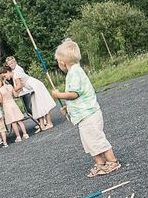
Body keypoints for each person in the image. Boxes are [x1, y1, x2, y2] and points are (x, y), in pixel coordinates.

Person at [52, 38, 121, 177]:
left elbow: (74, 94)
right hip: (83, 115)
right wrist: (67, 107)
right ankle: (100, 164)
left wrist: (59, 95)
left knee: (96, 138)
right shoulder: (74, 72)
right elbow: (78, 96)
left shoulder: (75, 73)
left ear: (62, 62)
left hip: (88, 115)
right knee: (90, 142)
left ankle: (112, 161)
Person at [5, 57, 56, 130]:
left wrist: (10, 91)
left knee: (42, 104)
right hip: (31, 87)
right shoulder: (14, 71)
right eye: (9, 64)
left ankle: (49, 123)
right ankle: (42, 125)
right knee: (36, 105)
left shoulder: (17, 71)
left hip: (35, 85)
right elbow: (20, 85)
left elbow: (19, 86)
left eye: (12, 63)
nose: (11, 65)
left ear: (15, 61)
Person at [0, 74, 29, 142]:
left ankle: (18, 136)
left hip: (7, 106)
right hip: (13, 104)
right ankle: (25, 134)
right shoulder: (10, 86)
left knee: (13, 122)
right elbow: (15, 95)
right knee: (19, 120)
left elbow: (1, 101)